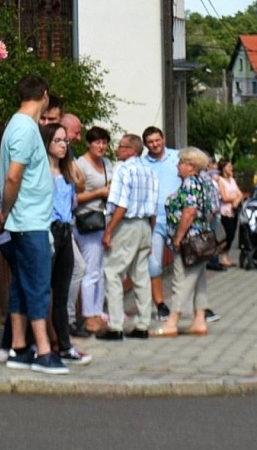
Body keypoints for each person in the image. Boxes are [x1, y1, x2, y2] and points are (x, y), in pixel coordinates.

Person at [0, 75, 65, 374]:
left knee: (22, 285)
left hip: (24, 218)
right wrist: (7, 211)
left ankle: (19, 347)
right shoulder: (26, 129)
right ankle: (44, 350)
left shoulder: (17, 125)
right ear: (45, 96)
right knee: (39, 285)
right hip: (29, 219)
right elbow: (14, 176)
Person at [153, 148, 216, 337]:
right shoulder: (203, 183)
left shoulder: (189, 183)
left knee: (183, 281)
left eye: (180, 162)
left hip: (189, 241)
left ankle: (172, 321)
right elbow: (211, 209)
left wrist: (178, 237)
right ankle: (199, 320)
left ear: (191, 166)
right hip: (202, 238)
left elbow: (189, 212)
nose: (177, 166)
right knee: (200, 281)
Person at [99, 133, 157, 340]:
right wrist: (149, 234)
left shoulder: (123, 169)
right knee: (140, 275)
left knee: (112, 271)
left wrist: (109, 230)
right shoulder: (149, 171)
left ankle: (115, 325)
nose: (117, 149)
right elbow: (153, 207)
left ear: (131, 150)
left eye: (121, 146)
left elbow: (121, 204)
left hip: (126, 224)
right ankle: (143, 324)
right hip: (144, 225)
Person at [44, 122, 90, 366]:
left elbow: (79, 184)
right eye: (58, 141)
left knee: (61, 292)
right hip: (48, 230)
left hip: (65, 230)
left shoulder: (67, 172)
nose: (63, 145)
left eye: (65, 141)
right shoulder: (41, 173)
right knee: (44, 290)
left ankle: (64, 344)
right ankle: (43, 342)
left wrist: (69, 161)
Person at [74, 125, 112, 334]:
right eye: (97, 142)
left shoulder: (107, 164)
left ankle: (98, 313)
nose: (101, 146)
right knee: (90, 270)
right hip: (87, 221)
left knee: (101, 270)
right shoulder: (80, 165)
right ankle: (89, 316)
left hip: (104, 221)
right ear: (88, 143)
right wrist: (99, 193)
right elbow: (75, 197)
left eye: (104, 142)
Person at [141, 126, 179, 320]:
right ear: (146, 145)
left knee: (183, 262)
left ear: (163, 139)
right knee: (154, 264)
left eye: (157, 140)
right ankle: (160, 304)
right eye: (150, 142)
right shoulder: (142, 163)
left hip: (176, 219)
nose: (155, 145)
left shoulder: (177, 158)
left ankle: (186, 303)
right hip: (153, 220)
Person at [214, 160, 243, 270]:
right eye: (229, 166)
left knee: (232, 235)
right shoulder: (220, 180)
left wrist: (236, 200)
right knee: (229, 234)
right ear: (223, 168)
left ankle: (225, 257)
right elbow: (224, 197)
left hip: (234, 211)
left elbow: (240, 193)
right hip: (225, 212)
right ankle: (216, 251)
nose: (231, 168)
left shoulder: (232, 180)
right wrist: (235, 199)